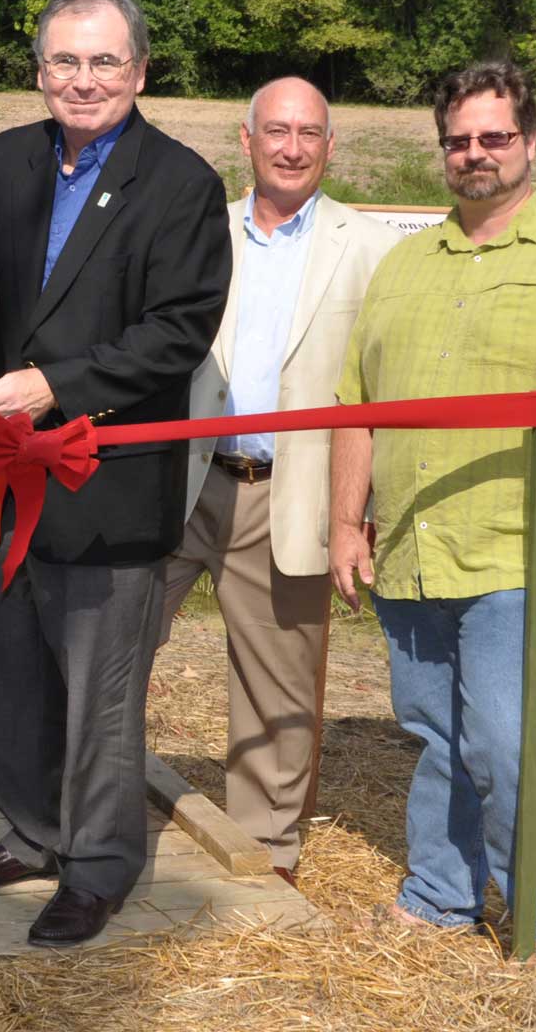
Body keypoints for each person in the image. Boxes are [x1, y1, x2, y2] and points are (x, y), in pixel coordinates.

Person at [329, 61, 536, 957]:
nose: (475, 154)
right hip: (412, 549)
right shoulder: (406, 263)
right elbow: (358, 407)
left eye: (494, 137)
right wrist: (342, 523)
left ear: (531, 139)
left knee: (511, 743)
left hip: (518, 554)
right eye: (458, 140)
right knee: (438, 732)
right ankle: (441, 893)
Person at [0, 0, 231, 946]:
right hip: (4, 475)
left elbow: (176, 334)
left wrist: (53, 384)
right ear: (39, 70)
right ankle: (32, 831)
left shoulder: (180, 183)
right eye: (66, 61)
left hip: (104, 480)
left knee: (100, 694)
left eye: (105, 62)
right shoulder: (8, 158)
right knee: (11, 673)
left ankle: (98, 865)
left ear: (140, 71)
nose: (84, 79)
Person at [162, 77, 401, 886]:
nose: (292, 147)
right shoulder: (197, 229)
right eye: (276, 131)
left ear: (331, 146)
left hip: (288, 493)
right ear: (246, 139)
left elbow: (380, 389)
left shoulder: (368, 247)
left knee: (278, 683)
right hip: (180, 480)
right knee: (109, 643)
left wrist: (356, 510)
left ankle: (264, 852)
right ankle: (89, 803)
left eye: (308, 133)